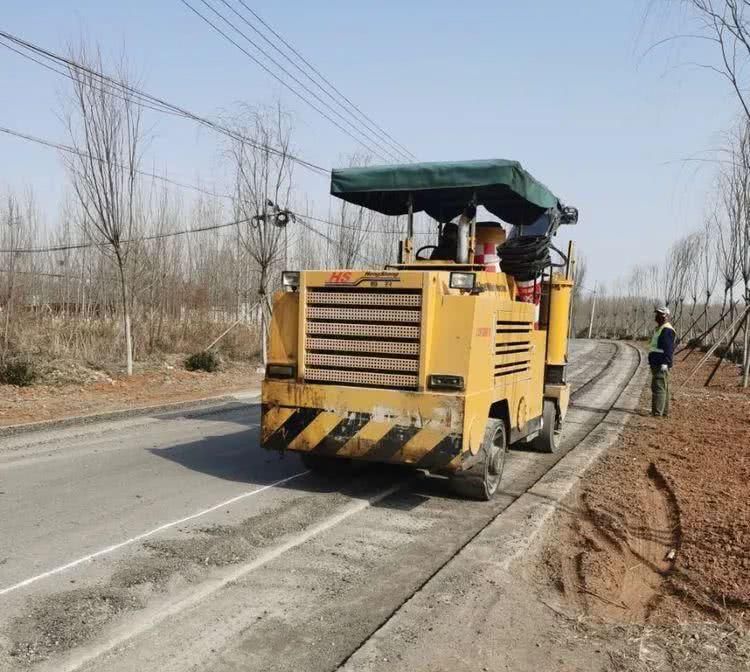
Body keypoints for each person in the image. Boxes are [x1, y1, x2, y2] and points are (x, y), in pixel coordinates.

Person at [648, 306, 676, 417]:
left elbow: (668, 349)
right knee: (661, 386)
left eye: (660, 314)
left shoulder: (667, 330)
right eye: (657, 314)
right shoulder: (660, 328)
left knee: (659, 387)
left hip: (661, 363)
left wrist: (666, 363)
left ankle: (657, 413)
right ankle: (663, 412)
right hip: (656, 362)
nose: (657, 316)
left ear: (666, 316)